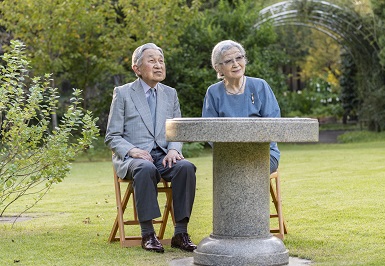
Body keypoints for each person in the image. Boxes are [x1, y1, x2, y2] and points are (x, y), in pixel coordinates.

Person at [105, 43, 197, 253]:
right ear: (137, 68)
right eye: (152, 60)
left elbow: (177, 130)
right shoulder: (123, 93)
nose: (158, 65)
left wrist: (174, 149)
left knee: (186, 168)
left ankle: (180, 233)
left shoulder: (170, 94)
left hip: (163, 156)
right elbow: (112, 136)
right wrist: (132, 150)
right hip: (134, 158)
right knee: (145, 169)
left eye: (161, 61)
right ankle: (147, 233)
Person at [202, 40, 281, 173]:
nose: (236, 64)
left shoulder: (260, 86)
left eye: (239, 58)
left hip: (263, 153)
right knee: (232, 168)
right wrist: (232, 152)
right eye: (228, 61)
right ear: (218, 68)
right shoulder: (213, 92)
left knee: (249, 168)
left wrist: (251, 150)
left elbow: (274, 124)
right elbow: (208, 130)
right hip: (228, 156)